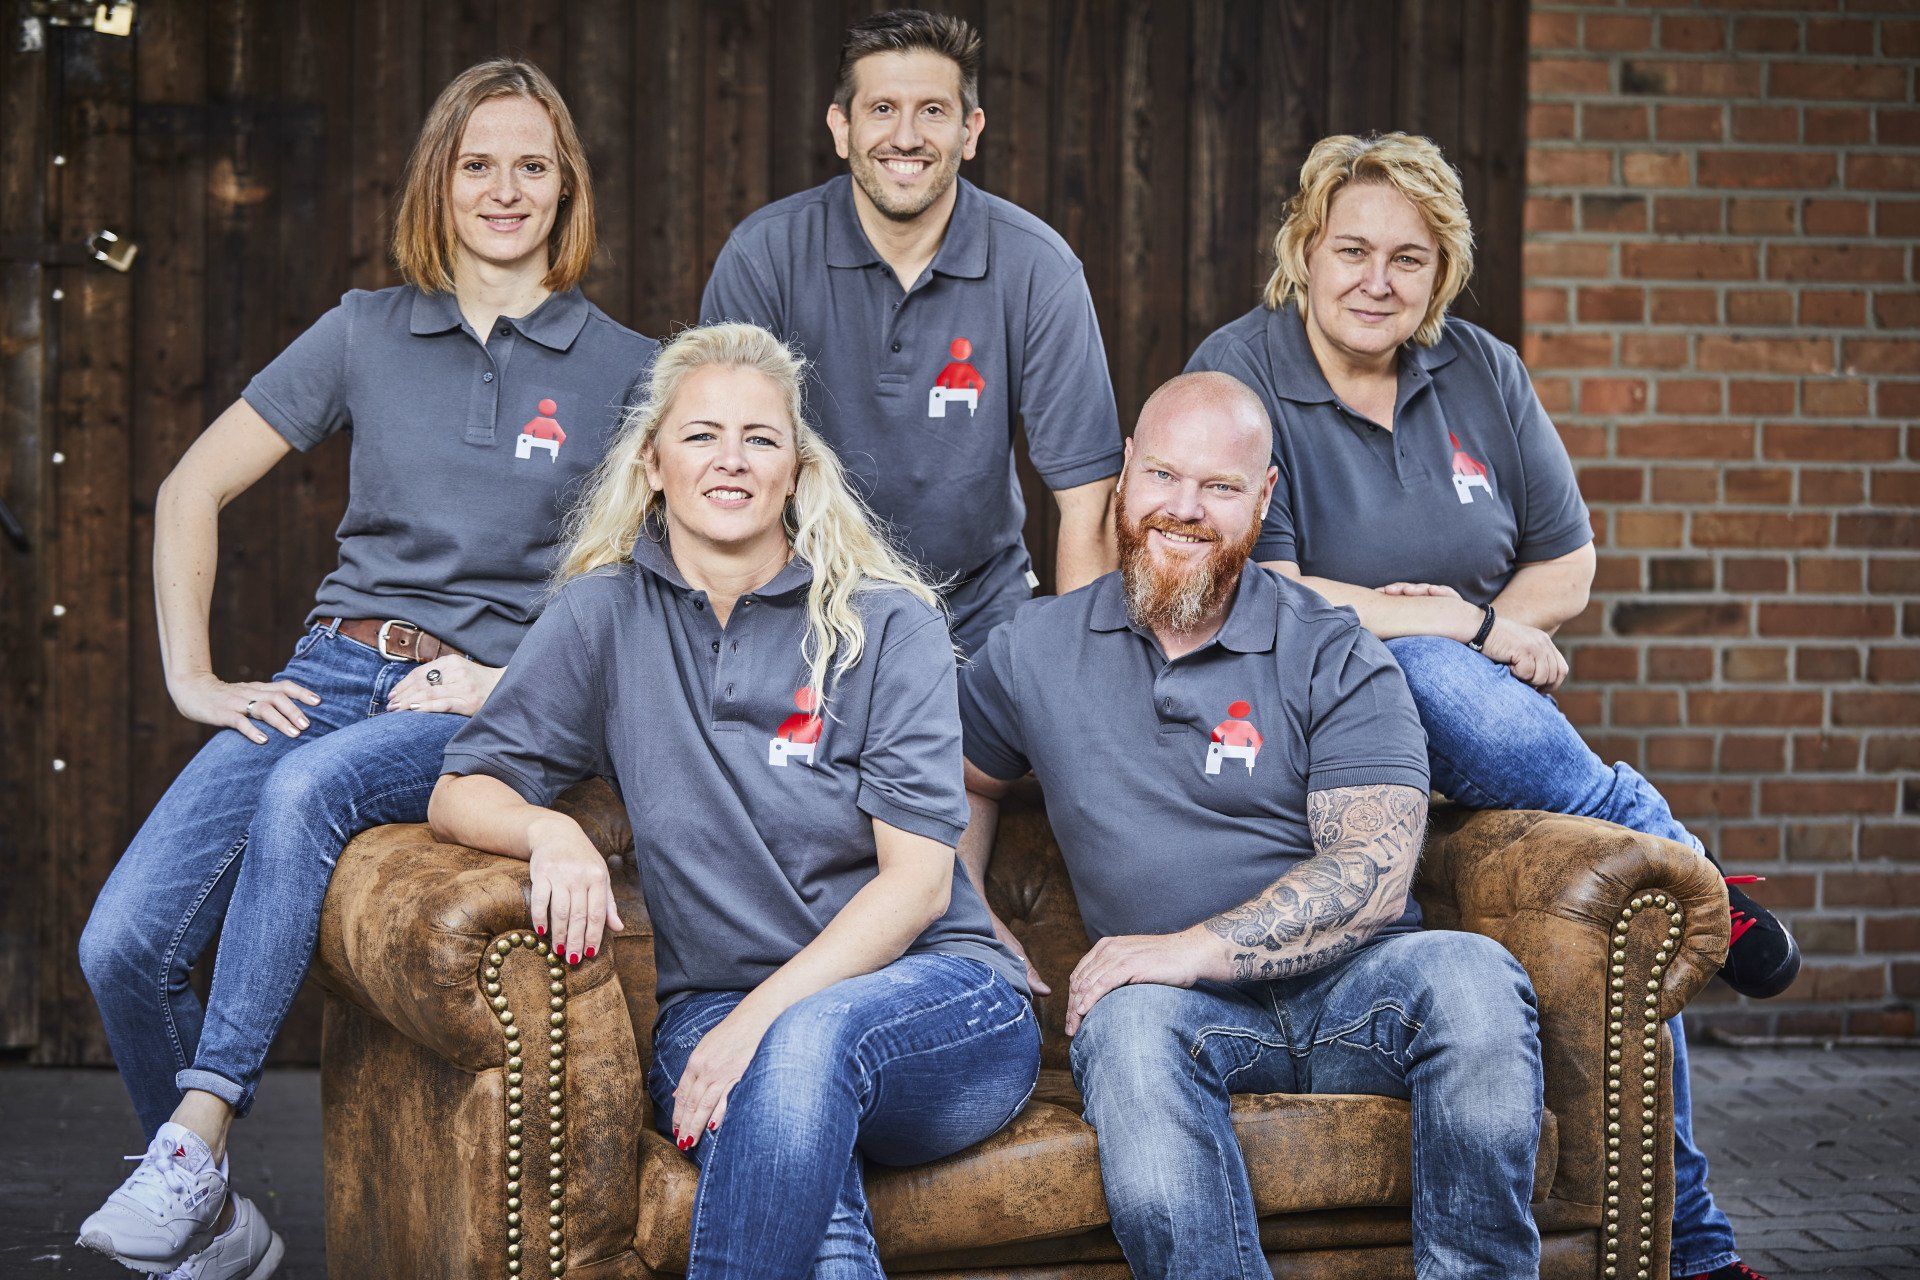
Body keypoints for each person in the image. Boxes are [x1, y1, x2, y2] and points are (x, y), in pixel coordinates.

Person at [75, 59, 656, 1279]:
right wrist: (193, 677)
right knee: (122, 944)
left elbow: (649, 589)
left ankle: (195, 1133)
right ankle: (215, 1217)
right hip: (329, 673)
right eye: (478, 164)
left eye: (532, 166)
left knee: (308, 788)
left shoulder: (629, 369)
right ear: (439, 181)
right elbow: (189, 488)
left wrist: (508, 681)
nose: (505, 189)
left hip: (487, 701)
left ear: (567, 187)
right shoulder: (365, 329)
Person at [1186, 130, 1788, 1280]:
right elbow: (1267, 587)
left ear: (1443, 270)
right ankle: (1692, 859)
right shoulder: (1242, 366)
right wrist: (1463, 625)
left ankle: (1696, 1249)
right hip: (1315, 728)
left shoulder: (1482, 370)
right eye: (1351, 250)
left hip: (1487, 745)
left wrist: (1490, 639)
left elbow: (1569, 564)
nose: (1377, 280)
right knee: (1412, 663)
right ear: (1304, 251)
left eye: (1408, 258)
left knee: (1622, 902)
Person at [430, 323, 1039, 1280]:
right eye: (702, 434)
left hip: (939, 1000)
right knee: (820, 1212)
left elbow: (918, 887)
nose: (732, 459)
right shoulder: (602, 616)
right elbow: (462, 788)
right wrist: (550, 832)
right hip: (709, 1006)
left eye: (760, 438)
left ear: (796, 471)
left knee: (801, 1051)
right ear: (652, 462)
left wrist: (756, 1024)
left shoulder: (888, 624)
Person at [959, 372, 1546, 1279]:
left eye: (1221, 486)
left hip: (1357, 998)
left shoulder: (1334, 649)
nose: (1184, 509)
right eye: (1163, 475)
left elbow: (1373, 873)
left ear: (1265, 497)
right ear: (1125, 472)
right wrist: (968, 905)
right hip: (1177, 1016)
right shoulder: (1033, 649)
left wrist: (1190, 947)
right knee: (1123, 1028)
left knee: (1475, 978)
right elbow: (962, 781)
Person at [700, 8, 1122, 656]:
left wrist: (1080, 677)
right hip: (800, 602)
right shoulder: (766, 256)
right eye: (882, 109)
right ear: (841, 127)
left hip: (977, 613)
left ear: (969, 131)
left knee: (1005, 723)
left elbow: (1089, 505)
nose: (906, 136)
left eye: (932, 111)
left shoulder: (1037, 267)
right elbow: (715, 471)